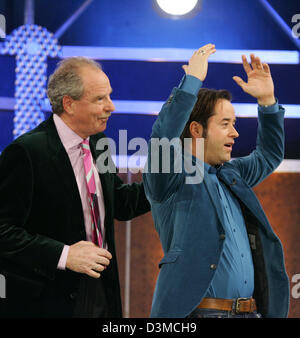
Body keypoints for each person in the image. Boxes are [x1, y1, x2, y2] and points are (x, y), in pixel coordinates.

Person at [143, 44, 290, 318]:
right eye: (225, 124)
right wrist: (191, 84)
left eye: (233, 123)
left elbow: (270, 154)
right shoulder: (170, 177)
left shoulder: (232, 174)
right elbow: (162, 140)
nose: (235, 133)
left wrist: (268, 102)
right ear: (196, 129)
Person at [0, 57, 150, 318]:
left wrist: (167, 181)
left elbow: (121, 203)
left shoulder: (99, 142)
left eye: (109, 97)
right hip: (48, 299)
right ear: (68, 103)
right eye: (100, 99)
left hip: (101, 289)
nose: (111, 107)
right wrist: (65, 254)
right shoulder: (26, 152)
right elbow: (3, 230)